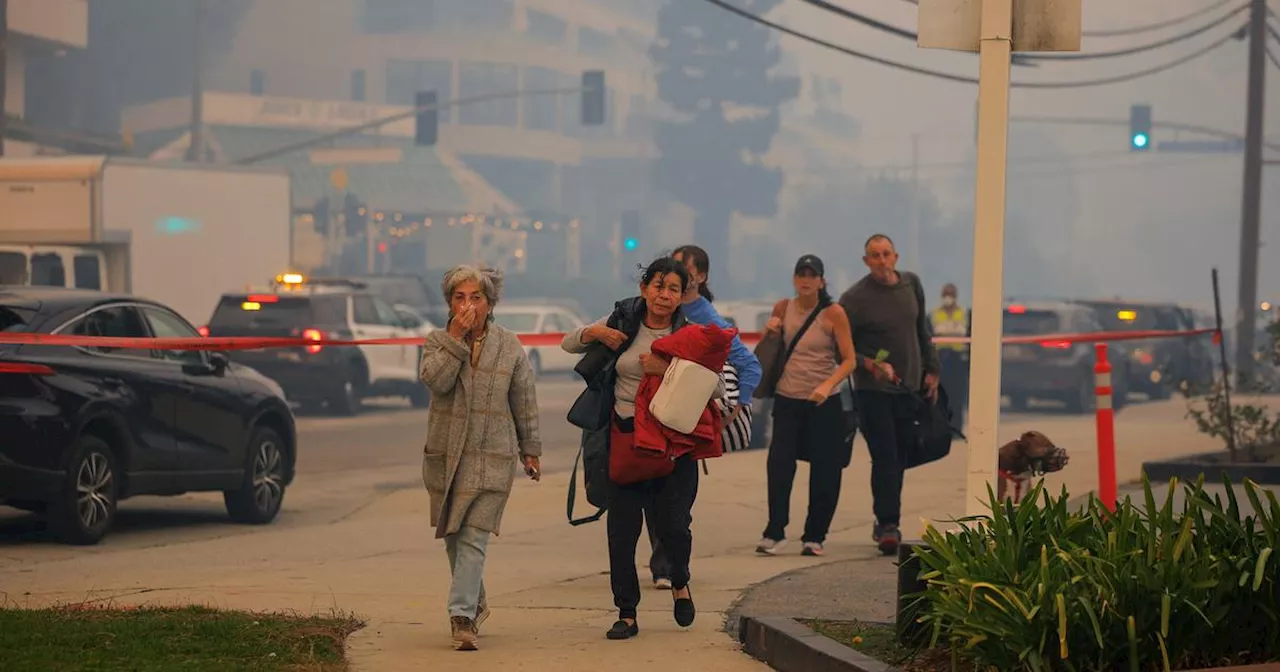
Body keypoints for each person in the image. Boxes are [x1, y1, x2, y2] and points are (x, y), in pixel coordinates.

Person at [561, 257, 723, 640]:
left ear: (683, 296)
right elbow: (569, 343)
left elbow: (716, 388)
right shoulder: (623, 320)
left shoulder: (694, 333)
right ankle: (627, 613)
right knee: (622, 531)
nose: (664, 295)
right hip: (625, 439)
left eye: (673, 289)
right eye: (657, 286)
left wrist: (667, 369)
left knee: (674, 527)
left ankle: (680, 581)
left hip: (672, 447)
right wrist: (598, 335)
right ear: (644, 288)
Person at [419, 265, 543, 651]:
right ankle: (475, 599)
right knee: (454, 537)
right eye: (459, 297)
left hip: (492, 456)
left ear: (491, 304)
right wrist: (455, 338)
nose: (467, 305)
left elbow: (523, 399)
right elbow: (434, 380)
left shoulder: (509, 345)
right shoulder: (437, 341)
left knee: (473, 536)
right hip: (447, 455)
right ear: (449, 303)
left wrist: (531, 449)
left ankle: (461, 618)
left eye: (476, 297)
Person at [640, 245, 761, 589]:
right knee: (651, 493)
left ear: (701, 278)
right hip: (649, 418)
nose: (673, 279)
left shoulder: (703, 316)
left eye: (685, 271)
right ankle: (664, 563)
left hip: (681, 421)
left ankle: (670, 564)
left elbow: (748, 364)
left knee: (675, 498)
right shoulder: (649, 310)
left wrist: (735, 408)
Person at [838, 235, 941, 556]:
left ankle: (887, 517)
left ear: (895, 256)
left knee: (901, 455)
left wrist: (932, 369)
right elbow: (842, 347)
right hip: (873, 391)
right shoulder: (854, 299)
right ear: (866, 261)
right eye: (874, 256)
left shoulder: (911, 285)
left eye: (886, 254)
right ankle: (887, 524)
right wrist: (869, 363)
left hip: (908, 388)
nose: (882, 261)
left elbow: (922, 330)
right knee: (885, 457)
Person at [755, 254, 857, 558]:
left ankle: (815, 535)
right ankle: (775, 531)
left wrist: (827, 385)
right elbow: (769, 351)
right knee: (779, 465)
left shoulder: (833, 313)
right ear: (794, 278)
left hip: (824, 402)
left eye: (812, 275)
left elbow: (850, 359)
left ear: (821, 281)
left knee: (825, 469)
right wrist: (770, 331)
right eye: (801, 273)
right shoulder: (783, 308)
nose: (806, 279)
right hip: (788, 399)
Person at [930, 283, 970, 431]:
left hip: (958, 360)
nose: (948, 297)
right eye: (946, 294)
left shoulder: (964, 313)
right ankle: (942, 428)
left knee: (957, 397)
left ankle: (956, 428)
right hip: (941, 360)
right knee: (941, 397)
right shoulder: (934, 314)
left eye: (951, 294)